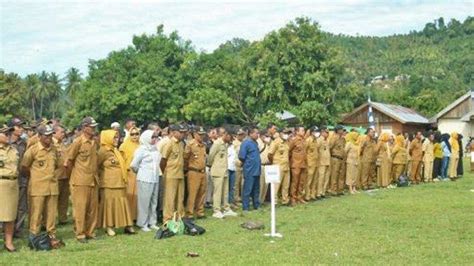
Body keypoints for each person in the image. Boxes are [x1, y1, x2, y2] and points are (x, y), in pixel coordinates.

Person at [21, 125, 60, 242]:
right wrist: (35, 177)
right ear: (39, 136)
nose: (49, 137)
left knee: (51, 214)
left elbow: (57, 165)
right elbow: (24, 167)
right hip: (37, 187)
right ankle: (34, 236)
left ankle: (51, 235)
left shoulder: (54, 149)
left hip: (52, 186)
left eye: (51, 135)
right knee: (36, 213)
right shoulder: (32, 150)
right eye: (46, 135)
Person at [65, 117, 99, 243]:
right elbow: (68, 162)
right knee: (80, 209)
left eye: (95, 126)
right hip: (80, 180)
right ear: (85, 128)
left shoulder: (94, 142)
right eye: (92, 126)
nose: (94, 129)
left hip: (93, 179)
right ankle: (80, 233)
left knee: (92, 209)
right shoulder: (77, 142)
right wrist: (73, 177)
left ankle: (90, 232)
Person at [97, 130, 135, 236]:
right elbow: (97, 165)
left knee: (122, 204)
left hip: (120, 182)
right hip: (109, 184)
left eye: (117, 138)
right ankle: (109, 226)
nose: (116, 140)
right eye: (114, 138)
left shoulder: (115, 150)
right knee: (109, 205)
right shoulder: (103, 151)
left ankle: (127, 225)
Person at [130, 130, 161, 231]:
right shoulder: (141, 150)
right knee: (144, 202)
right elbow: (133, 165)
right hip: (144, 179)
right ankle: (142, 223)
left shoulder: (155, 149)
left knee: (154, 201)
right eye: (152, 137)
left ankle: (152, 222)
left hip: (155, 178)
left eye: (155, 137)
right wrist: (141, 172)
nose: (154, 139)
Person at [208, 128, 236, 218]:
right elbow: (211, 156)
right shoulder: (217, 143)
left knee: (225, 192)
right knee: (218, 192)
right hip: (217, 171)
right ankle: (216, 210)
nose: (229, 137)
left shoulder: (225, 144)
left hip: (224, 171)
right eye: (227, 135)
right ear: (223, 134)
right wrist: (211, 165)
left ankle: (226, 208)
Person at [160, 125, 185, 223]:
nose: (182, 134)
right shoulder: (169, 144)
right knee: (169, 198)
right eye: (180, 132)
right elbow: (163, 160)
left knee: (180, 198)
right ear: (174, 132)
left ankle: (179, 218)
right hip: (171, 174)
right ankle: (167, 219)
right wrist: (163, 172)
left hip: (180, 174)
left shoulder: (181, 144)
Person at [0, 125, 19, 252]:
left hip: (12, 184)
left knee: (10, 216)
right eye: (5, 134)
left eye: (9, 134)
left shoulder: (13, 149)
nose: (8, 136)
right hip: (1, 182)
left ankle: (9, 242)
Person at [8, 118, 27, 237]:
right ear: (11, 128)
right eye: (18, 126)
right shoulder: (5, 141)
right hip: (9, 179)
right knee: (8, 205)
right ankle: (6, 229)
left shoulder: (24, 143)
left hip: (22, 178)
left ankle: (18, 230)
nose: (21, 129)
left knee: (22, 206)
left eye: (21, 126)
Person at [183, 127, 207, 219]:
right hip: (193, 171)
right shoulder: (190, 145)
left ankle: (200, 212)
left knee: (202, 192)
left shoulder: (203, 145)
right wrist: (186, 169)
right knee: (192, 193)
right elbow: (185, 158)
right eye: (199, 134)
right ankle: (189, 213)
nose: (201, 136)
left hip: (202, 172)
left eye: (203, 134)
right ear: (195, 134)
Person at [119, 126, 140, 221]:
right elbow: (121, 161)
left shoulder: (142, 145)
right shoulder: (124, 145)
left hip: (140, 173)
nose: (135, 136)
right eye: (132, 134)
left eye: (137, 134)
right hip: (129, 173)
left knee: (138, 196)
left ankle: (136, 217)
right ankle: (128, 217)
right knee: (130, 195)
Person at [239, 127, 261, 212]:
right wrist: (248, 164)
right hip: (249, 170)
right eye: (256, 133)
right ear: (251, 134)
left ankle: (256, 205)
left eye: (258, 133)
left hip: (256, 170)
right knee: (247, 189)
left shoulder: (255, 143)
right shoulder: (246, 143)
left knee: (256, 189)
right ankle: (246, 207)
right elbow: (242, 156)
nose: (257, 135)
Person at [268, 128, 291, 204]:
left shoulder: (287, 142)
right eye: (285, 133)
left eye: (287, 133)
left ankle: (285, 200)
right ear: (280, 133)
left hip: (286, 166)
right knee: (276, 185)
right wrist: (274, 162)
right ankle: (274, 201)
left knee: (286, 185)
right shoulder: (276, 142)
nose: (286, 135)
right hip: (278, 166)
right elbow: (270, 154)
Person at [53, 125, 70, 225]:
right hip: (56, 176)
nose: (63, 134)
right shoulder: (52, 144)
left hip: (65, 175)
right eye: (61, 132)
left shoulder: (63, 144)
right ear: (54, 133)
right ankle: (50, 220)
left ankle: (62, 218)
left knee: (64, 199)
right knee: (54, 199)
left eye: (64, 132)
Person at [289, 126, 307, 206]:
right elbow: (289, 151)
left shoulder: (304, 140)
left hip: (303, 164)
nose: (304, 132)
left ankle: (300, 197)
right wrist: (292, 161)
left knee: (301, 182)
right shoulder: (294, 140)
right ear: (297, 132)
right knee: (295, 182)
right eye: (302, 130)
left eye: (304, 130)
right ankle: (293, 198)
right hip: (296, 164)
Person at [329, 125, 346, 196]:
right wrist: (332, 155)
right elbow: (330, 147)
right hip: (335, 158)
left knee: (341, 174)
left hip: (341, 158)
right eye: (341, 130)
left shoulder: (342, 139)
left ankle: (340, 189)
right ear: (338, 130)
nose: (343, 131)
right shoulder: (333, 138)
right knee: (334, 174)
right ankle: (333, 190)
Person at [304, 126, 320, 201]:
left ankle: (312, 195)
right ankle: (307, 195)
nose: (317, 133)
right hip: (310, 163)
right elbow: (305, 151)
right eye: (316, 131)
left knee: (315, 180)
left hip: (316, 162)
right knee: (309, 180)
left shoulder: (316, 141)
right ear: (312, 132)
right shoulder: (308, 140)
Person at [316, 127, 331, 199]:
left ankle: (323, 192)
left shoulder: (327, 140)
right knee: (321, 178)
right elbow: (316, 150)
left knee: (326, 178)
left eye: (328, 132)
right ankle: (318, 193)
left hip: (327, 161)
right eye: (326, 132)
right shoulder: (319, 140)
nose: (327, 134)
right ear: (322, 132)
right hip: (321, 162)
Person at [258, 130, 271, 204]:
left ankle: (262, 200)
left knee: (266, 185)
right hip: (261, 165)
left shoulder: (267, 144)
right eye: (266, 136)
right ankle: (258, 201)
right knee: (261, 184)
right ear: (262, 136)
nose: (268, 138)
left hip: (267, 165)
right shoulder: (258, 143)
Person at [232, 129, 245, 204]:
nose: (241, 136)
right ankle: (236, 198)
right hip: (237, 164)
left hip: (244, 164)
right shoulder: (234, 143)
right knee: (236, 183)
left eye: (242, 134)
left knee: (243, 182)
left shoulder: (244, 143)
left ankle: (243, 197)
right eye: (239, 134)